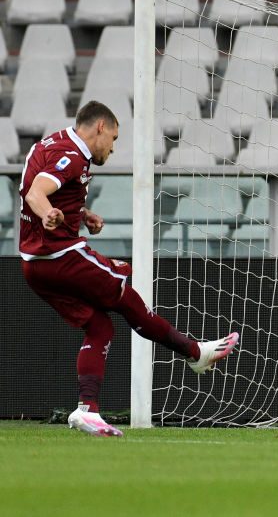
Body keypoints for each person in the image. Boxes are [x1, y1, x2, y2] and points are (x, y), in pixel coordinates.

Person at [19, 101, 238, 437]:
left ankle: (86, 410)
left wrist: (81, 212)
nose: (113, 147)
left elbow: (41, 185)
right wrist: (48, 212)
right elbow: (36, 193)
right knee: (124, 293)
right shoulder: (73, 155)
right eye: (114, 138)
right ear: (100, 127)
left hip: (35, 266)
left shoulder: (50, 144)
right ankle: (195, 353)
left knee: (100, 328)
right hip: (58, 256)